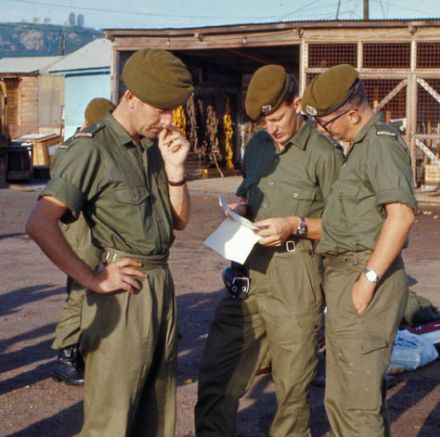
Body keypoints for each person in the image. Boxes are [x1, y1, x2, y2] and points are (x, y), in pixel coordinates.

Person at [25, 48, 193, 436]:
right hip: (122, 291)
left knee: (157, 414)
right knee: (112, 422)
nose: (167, 121)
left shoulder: (153, 149)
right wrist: (93, 279)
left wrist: (175, 172)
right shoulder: (91, 149)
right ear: (130, 96)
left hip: (160, 286)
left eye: (173, 111)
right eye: (160, 110)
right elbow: (39, 222)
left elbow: (180, 221)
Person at [195, 64, 342, 437]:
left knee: (292, 388)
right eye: (265, 123)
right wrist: (241, 205)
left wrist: (297, 225)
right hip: (247, 271)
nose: (271, 128)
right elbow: (250, 189)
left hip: (296, 276)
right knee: (217, 375)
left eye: (278, 118)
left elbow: (348, 226)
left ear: (297, 104)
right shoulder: (259, 147)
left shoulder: (324, 154)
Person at [302, 64, 418, 436]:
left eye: (326, 122)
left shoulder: (381, 146)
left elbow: (400, 216)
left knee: (358, 405)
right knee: (343, 397)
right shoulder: (359, 147)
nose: (323, 129)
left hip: (364, 277)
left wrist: (368, 279)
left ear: (353, 114)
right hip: (346, 275)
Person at [51, 97, 115, 386]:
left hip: (77, 223)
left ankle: (79, 350)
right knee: (81, 287)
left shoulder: (70, 143)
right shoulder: (86, 147)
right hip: (80, 226)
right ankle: (65, 356)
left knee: (85, 288)